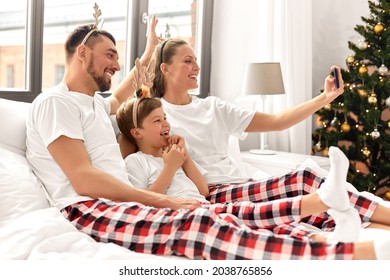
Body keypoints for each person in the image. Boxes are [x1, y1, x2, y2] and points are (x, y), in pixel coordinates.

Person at [25, 14, 389, 260]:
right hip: (89, 206)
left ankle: (329, 219)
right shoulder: (54, 103)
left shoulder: (94, 107)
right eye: (109, 55)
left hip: (128, 200)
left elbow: (122, 93)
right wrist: (158, 199)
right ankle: (344, 254)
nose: (117, 64)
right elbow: (83, 179)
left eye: (119, 57)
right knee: (200, 220)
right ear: (82, 53)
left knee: (215, 214)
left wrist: (149, 51)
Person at [137, 38, 390, 233]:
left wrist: (325, 98)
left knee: (312, 205)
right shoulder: (156, 114)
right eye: (187, 61)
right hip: (213, 192)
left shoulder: (214, 108)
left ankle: (373, 227)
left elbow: (278, 122)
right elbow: (121, 112)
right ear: (165, 68)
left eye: (196, 60)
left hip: (241, 183)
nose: (196, 67)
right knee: (304, 178)